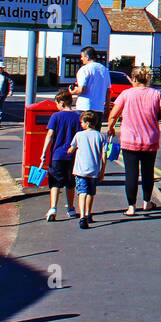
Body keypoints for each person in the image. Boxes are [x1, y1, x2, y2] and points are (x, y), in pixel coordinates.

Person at [106, 65, 161, 216]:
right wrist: (155, 116)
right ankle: (147, 203)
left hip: (130, 140)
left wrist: (111, 127)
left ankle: (131, 207)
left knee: (131, 174)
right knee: (148, 173)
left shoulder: (126, 94)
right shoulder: (157, 94)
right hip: (150, 140)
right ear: (147, 78)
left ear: (134, 79)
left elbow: (113, 115)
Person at [37, 90, 81, 221]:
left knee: (55, 182)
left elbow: (50, 135)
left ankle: (53, 208)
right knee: (70, 183)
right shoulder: (78, 117)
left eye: (56, 102)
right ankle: (71, 208)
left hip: (57, 155)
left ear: (61, 102)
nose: (56, 105)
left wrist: (43, 153)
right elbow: (79, 137)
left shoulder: (55, 116)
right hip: (72, 155)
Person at [66, 111, 107, 229]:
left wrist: (69, 150)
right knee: (91, 193)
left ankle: (82, 217)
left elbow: (71, 149)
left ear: (87, 123)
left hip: (80, 170)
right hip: (94, 170)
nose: (81, 124)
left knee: (82, 193)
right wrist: (102, 171)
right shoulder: (100, 136)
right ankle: (89, 213)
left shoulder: (79, 135)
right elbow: (104, 155)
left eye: (82, 122)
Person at [68, 46, 109, 125]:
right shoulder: (104, 70)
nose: (81, 58)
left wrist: (72, 91)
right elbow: (108, 91)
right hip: (99, 108)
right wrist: (107, 108)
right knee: (95, 133)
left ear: (87, 57)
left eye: (82, 56)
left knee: (83, 134)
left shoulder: (84, 69)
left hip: (84, 107)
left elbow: (82, 89)